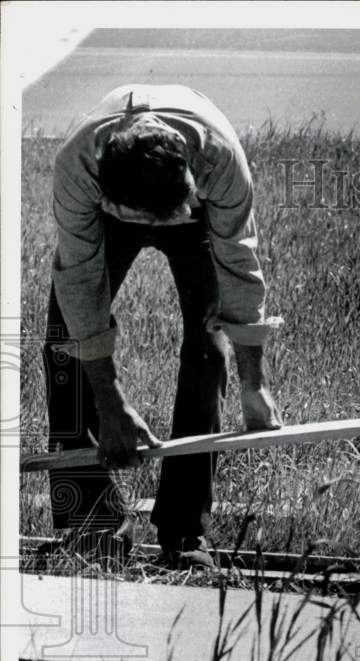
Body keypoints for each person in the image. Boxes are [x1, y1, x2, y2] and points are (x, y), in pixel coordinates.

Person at [44, 84, 282, 568]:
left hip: (197, 215)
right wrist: (110, 404)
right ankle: (94, 526)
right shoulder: (78, 168)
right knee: (64, 345)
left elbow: (239, 265)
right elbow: (81, 290)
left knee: (208, 350)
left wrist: (254, 385)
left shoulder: (220, 158)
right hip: (110, 214)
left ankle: (184, 531)